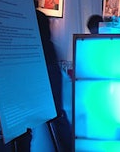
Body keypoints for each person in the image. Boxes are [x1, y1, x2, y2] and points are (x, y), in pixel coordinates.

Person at [36, 9, 73, 152]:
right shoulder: (40, 16)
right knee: (57, 115)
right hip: (50, 63)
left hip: (44, 65)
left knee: (55, 115)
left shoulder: (34, 16)